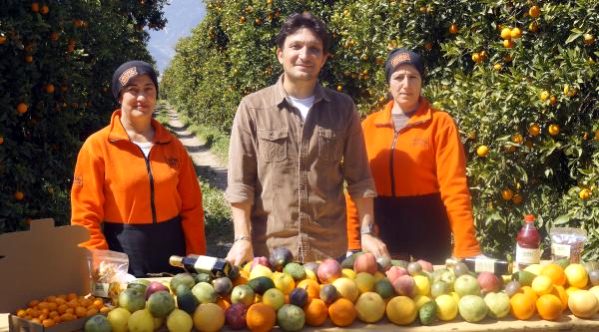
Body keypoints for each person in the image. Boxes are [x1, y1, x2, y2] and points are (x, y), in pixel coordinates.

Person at [225, 12, 389, 265]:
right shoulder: (253, 108)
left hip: (328, 251)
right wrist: (241, 238)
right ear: (280, 54)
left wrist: (366, 232)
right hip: (269, 251)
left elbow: (360, 179)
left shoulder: (343, 108)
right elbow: (240, 183)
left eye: (314, 49)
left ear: (324, 59)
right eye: (296, 46)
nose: (304, 55)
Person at [71, 60, 206, 277]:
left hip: (174, 257)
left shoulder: (173, 146)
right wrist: (103, 268)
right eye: (132, 90)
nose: (141, 97)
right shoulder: (97, 147)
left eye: (148, 89)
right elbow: (84, 217)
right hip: (123, 258)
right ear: (119, 96)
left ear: (156, 95)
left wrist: (196, 258)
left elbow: (192, 208)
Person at [346, 49, 481, 264]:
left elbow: (454, 186)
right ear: (388, 83)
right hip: (382, 230)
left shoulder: (440, 123)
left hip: (429, 229)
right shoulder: (369, 126)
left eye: (413, 77)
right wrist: (353, 242)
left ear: (422, 82)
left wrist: (467, 245)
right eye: (398, 77)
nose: (406, 84)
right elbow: (357, 187)